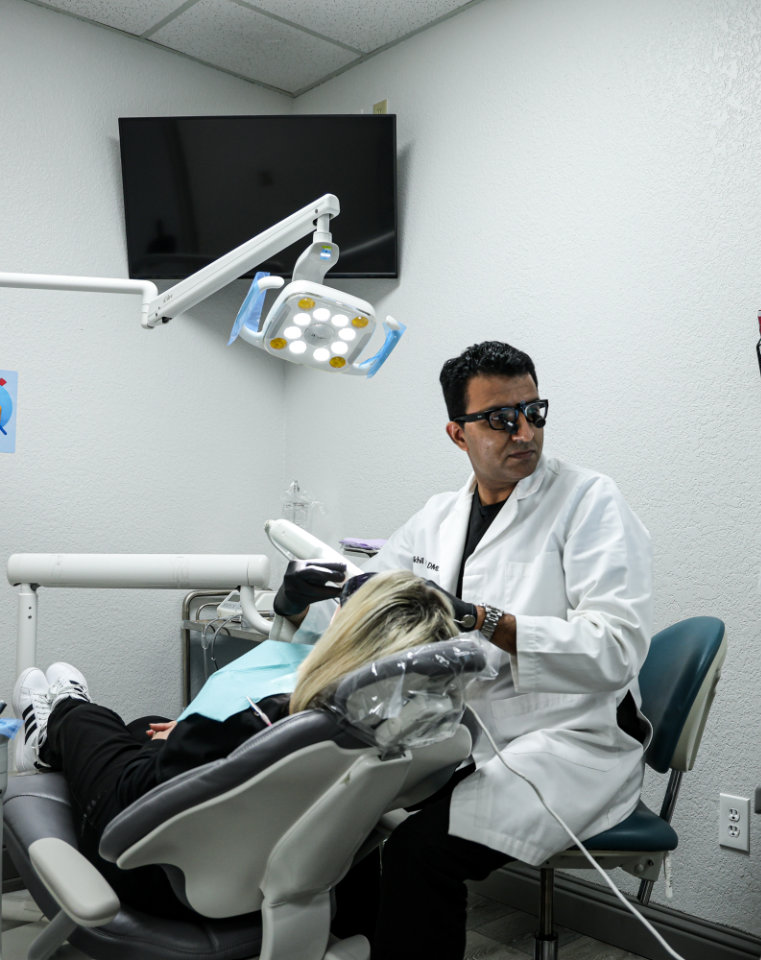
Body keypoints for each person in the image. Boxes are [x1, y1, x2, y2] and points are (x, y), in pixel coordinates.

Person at [288, 340, 653, 960]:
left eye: (534, 411)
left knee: (418, 854)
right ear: (458, 434)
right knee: (337, 820)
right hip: (455, 735)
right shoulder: (436, 518)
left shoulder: (589, 501)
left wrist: (484, 620)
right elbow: (374, 599)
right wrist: (305, 597)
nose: (525, 432)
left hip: (562, 743)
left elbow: (614, 648)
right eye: (501, 419)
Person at [12, 570, 458, 919]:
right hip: (297, 876)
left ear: (348, 633)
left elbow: (182, 774)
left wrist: (197, 733)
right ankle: (64, 727)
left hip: (153, 869)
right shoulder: (399, 730)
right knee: (147, 724)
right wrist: (190, 734)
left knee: (92, 719)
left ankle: (54, 721)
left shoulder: (269, 721)